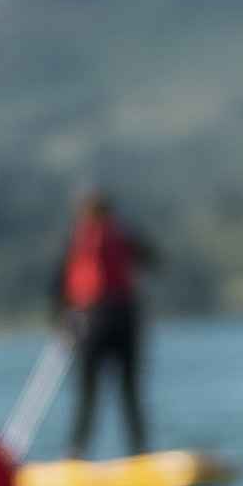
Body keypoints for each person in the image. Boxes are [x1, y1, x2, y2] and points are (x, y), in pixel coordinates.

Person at [55, 188, 151, 459]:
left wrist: (61, 322)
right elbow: (153, 259)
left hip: (91, 320)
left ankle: (75, 453)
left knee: (87, 394)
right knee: (129, 391)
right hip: (124, 319)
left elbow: (59, 282)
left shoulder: (76, 238)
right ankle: (140, 451)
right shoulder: (122, 233)